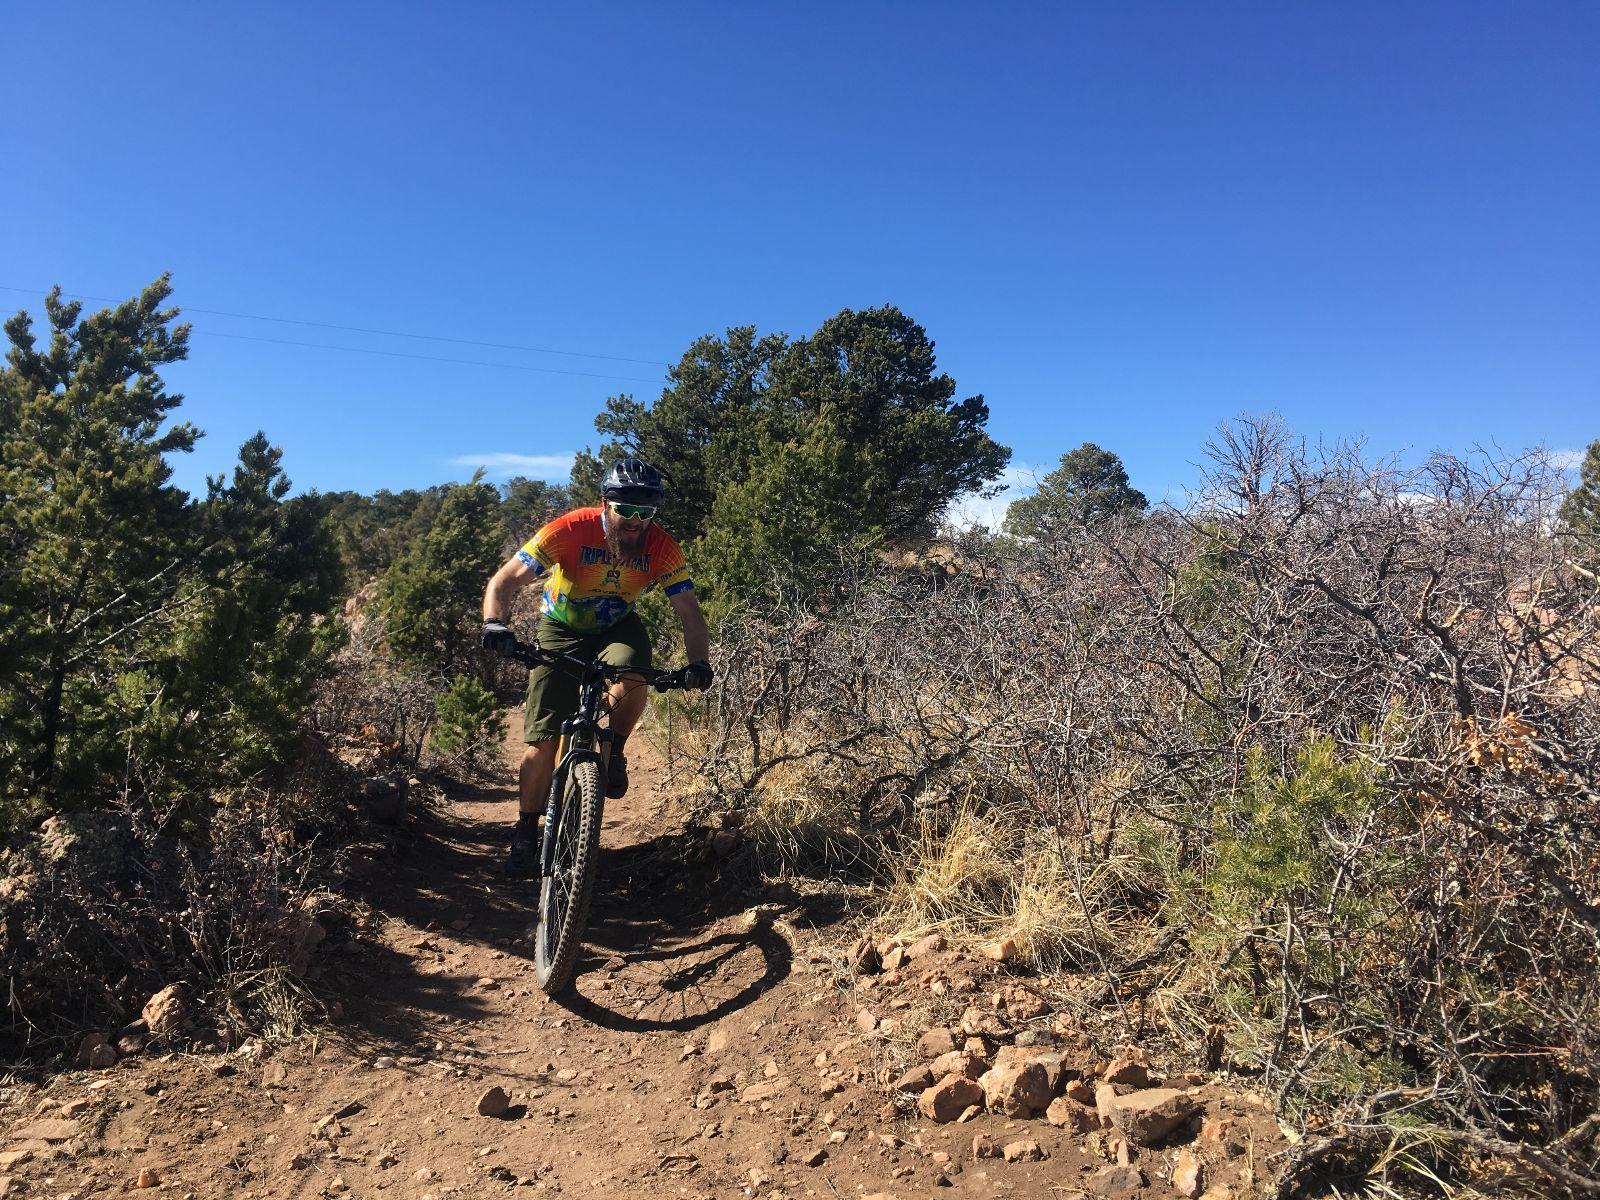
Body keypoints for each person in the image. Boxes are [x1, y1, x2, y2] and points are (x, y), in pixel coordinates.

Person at [480, 458, 712, 877]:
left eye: (647, 513)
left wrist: (699, 663)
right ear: (606, 504)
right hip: (560, 627)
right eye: (628, 510)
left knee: (634, 671)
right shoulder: (570, 528)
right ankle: (527, 830)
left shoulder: (661, 546)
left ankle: (615, 747)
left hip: (616, 627)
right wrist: (495, 623)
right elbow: (506, 579)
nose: (636, 521)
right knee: (543, 741)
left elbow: (689, 613)